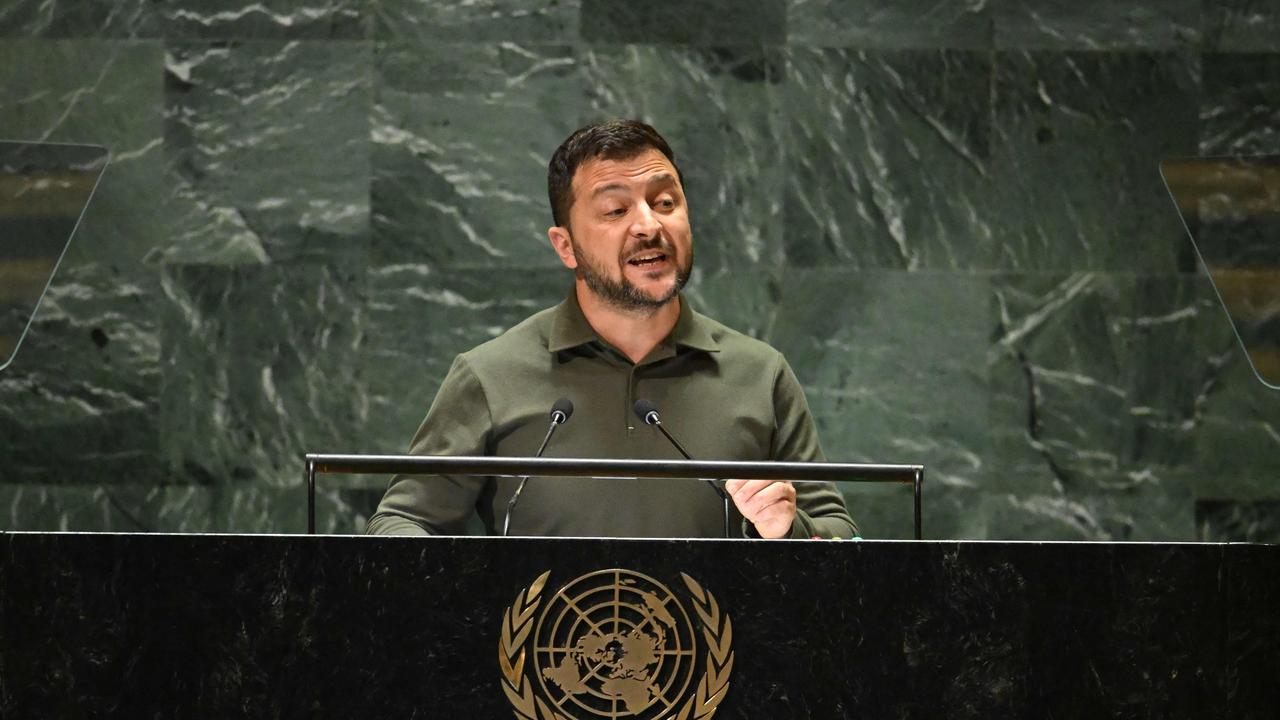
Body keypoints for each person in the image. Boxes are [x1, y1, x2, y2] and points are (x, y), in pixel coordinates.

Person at [367, 119, 856, 539]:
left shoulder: (759, 374)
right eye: (616, 210)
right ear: (566, 246)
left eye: (665, 202)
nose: (648, 225)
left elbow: (841, 535)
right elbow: (402, 523)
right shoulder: (490, 375)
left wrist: (789, 527)